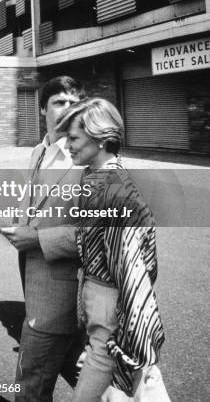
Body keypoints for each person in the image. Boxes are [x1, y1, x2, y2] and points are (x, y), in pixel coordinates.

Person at [56, 98, 166, 402]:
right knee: (139, 381)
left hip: (109, 301)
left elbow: (130, 269)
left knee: (105, 377)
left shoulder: (114, 190)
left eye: (74, 137)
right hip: (101, 299)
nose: (67, 145)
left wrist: (132, 325)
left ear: (102, 140)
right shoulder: (96, 178)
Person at [1, 76, 86, 402]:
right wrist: (12, 222)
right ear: (42, 108)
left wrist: (36, 240)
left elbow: (100, 233)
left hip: (60, 297)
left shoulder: (88, 157)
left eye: (74, 102)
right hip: (35, 286)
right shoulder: (40, 150)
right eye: (59, 102)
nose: (68, 109)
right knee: (85, 372)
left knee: (28, 389)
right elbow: (37, 203)